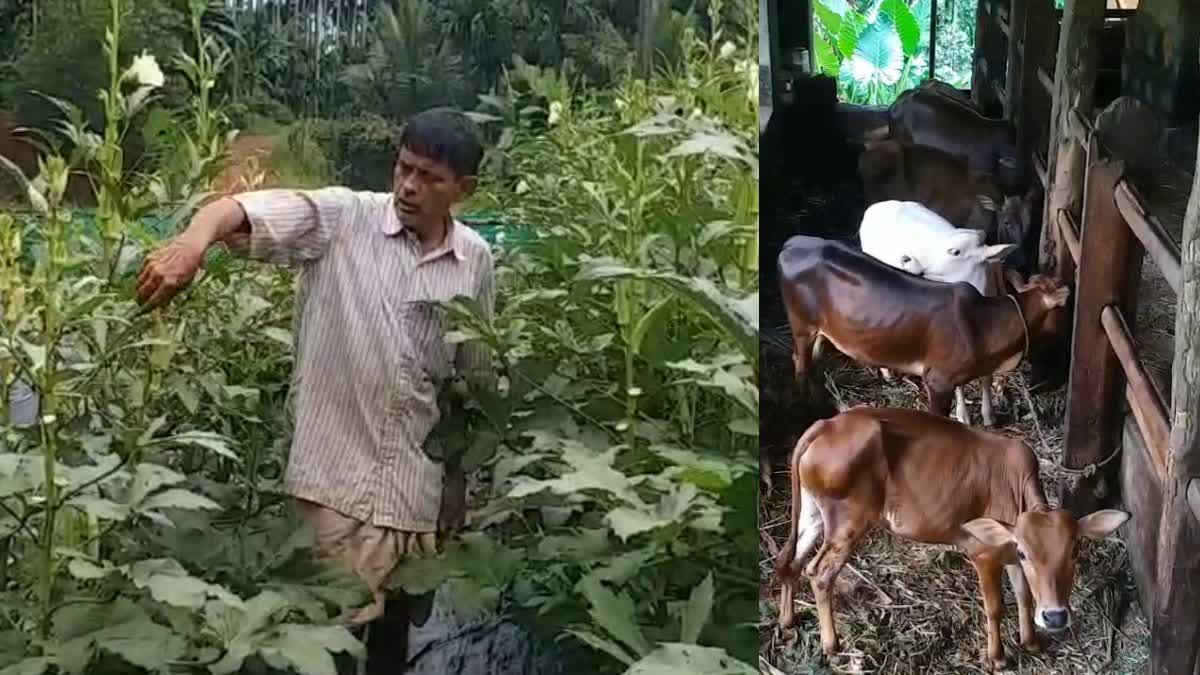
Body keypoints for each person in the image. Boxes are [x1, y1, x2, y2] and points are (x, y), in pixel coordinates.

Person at [134, 107, 496, 630]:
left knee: (393, 639)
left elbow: (473, 380)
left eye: (428, 177)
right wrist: (192, 245)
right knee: (325, 643)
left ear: (463, 188)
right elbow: (238, 209)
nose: (409, 186)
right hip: (332, 492)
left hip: (416, 495)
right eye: (403, 168)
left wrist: (457, 486)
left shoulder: (475, 260)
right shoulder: (344, 220)